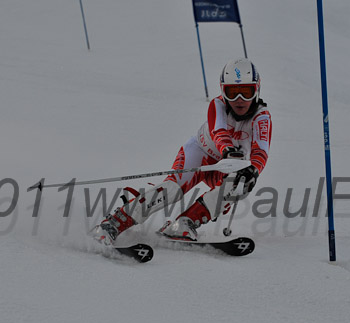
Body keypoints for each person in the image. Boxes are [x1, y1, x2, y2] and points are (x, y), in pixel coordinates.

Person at [97, 58, 272, 242]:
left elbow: (261, 152)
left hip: (225, 166)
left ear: (256, 90)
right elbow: (219, 132)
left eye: (245, 92)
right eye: (232, 92)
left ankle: (184, 224)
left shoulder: (262, 117)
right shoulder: (218, 105)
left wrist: (254, 170)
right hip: (200, 154)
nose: (239, 100)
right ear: (223, 91)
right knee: (172, 190)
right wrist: (227, 149)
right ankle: (114, 222)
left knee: (240, 185)